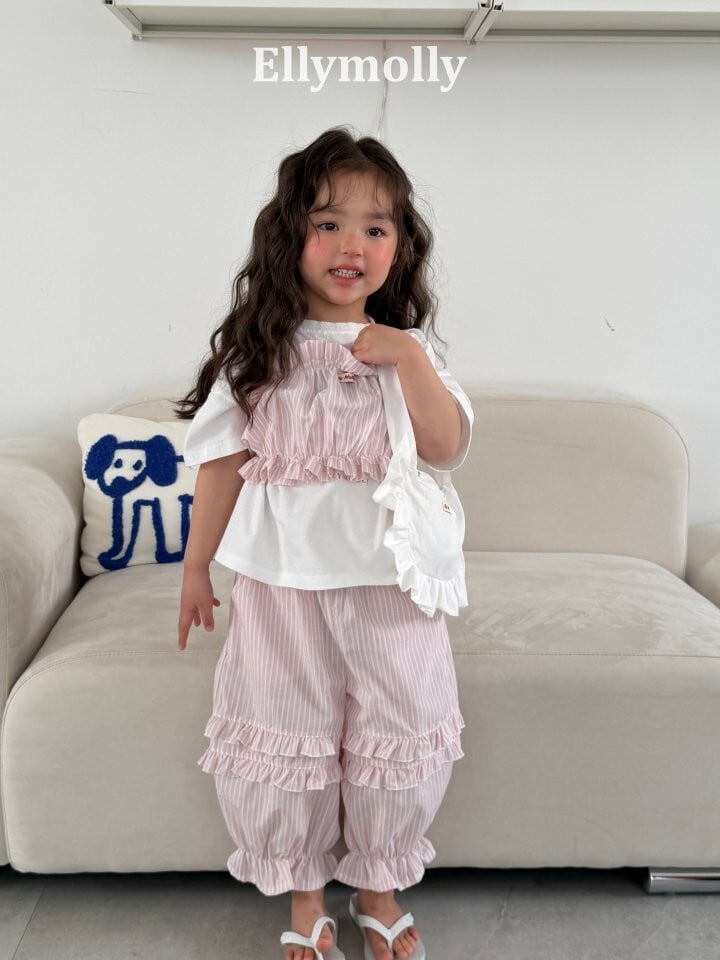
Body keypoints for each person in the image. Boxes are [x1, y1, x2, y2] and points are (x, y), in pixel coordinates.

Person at [175, 126, 473, 960]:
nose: (352, 245)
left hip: (392, 586)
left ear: (399, 248)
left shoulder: (410, 352)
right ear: (290, 237)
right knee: (286, 724)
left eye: (375, 227)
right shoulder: (258, 357)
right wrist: (196, 569)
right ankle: (306, 894)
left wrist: (407, 360)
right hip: (282, 588)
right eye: (328, 223)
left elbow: (446, 446)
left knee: (399, 723)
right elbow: (221, 468)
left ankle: (379, 882)